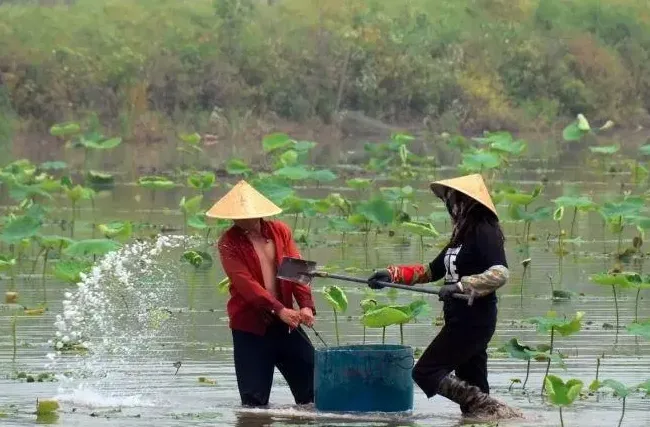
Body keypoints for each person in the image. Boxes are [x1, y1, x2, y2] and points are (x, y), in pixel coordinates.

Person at [367, 174, 522, 420]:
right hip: (458, 318)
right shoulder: (461, 236)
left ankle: (496, 411)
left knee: (426, 372)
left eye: (452, 200)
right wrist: (392, 274)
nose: (449, 206)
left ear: (467, 202)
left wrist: (461, 286)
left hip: (473, 320)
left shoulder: (485, 229)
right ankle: (491, 415)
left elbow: (500, 273)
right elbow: (432, 271)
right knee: (473, 394)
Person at [208, 180, 316, 407]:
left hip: (287, 323)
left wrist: (305, 305)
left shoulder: (280, 231)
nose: (236, 220)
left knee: (313, 390)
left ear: (258, 213)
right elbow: (246, 284)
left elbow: (297, 268)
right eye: (233, 216)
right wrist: (279, 309)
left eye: (241, 215)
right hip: (251, 327)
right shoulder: (228, 242)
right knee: (253, 403)